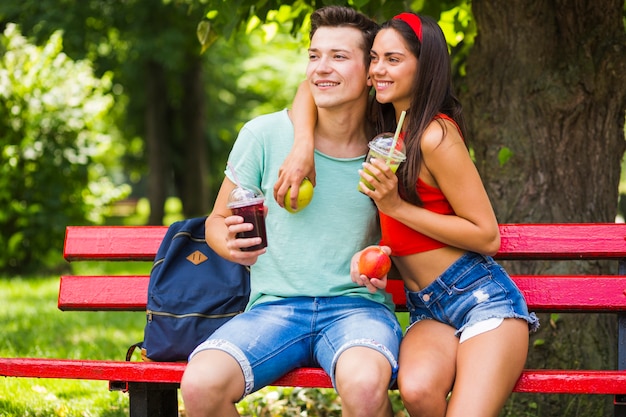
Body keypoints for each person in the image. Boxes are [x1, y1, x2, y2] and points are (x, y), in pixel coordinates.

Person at [275, 11, 540, 417]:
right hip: (427, 307)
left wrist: (395, 206)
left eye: (393, 60)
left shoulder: (436, 134)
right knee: (416, 391)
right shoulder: (385, 126)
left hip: (479, 298)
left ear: (425, 64)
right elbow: (309, 88)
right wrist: (302, 146)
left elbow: (487, 236)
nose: (379, 69)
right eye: (375, 59)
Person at [180, 6, 403, 417]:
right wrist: (229, 244)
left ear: (371, 73)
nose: (321, 68)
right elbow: (214, 221)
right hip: (273, 308)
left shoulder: (387, 150)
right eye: (314, 55)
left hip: (357, 310)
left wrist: (384, 260)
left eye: (339, 56)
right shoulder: (264, 135)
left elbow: (405, 237)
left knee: (366, 387)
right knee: (199, 385)